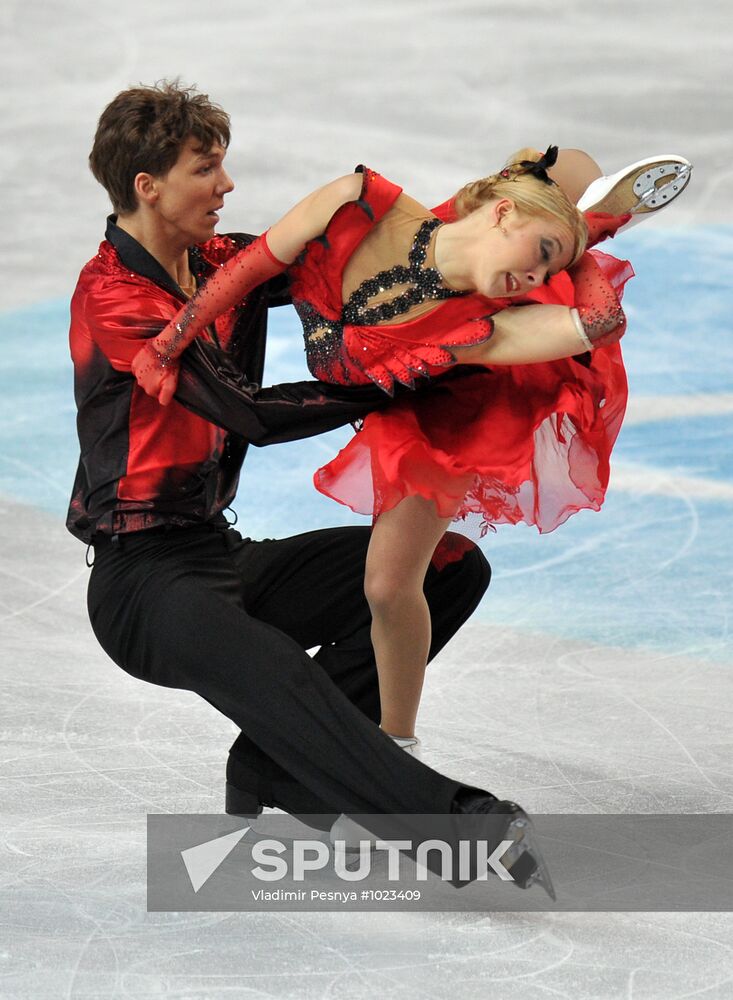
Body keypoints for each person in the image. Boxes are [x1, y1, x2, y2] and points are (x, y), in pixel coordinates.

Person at [69, 80, 562, 897]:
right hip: (141, 584)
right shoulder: (116, 297)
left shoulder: (222, 264)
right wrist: (394, 382)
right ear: (147, 186)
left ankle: (276, 770)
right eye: (205, 171)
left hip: (219, 555)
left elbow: (363, 262)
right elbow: (247, 413)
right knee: (275, 675)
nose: (225, 188)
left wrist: (492, 234)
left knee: (448, 569)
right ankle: (459, 824)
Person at [130, 143, 691, 753]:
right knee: (562, 167)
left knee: (387, 586)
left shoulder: (480, 329)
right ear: (503, 212)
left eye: (547, 269)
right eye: (541, 257)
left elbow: (600, 324)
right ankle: (577, 204)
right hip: (447, 268)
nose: (535, 278)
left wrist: (580, 245)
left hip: (445, 403)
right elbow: (257, 264)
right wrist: (170, 341)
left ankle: (397, 746)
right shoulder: (358, 205)